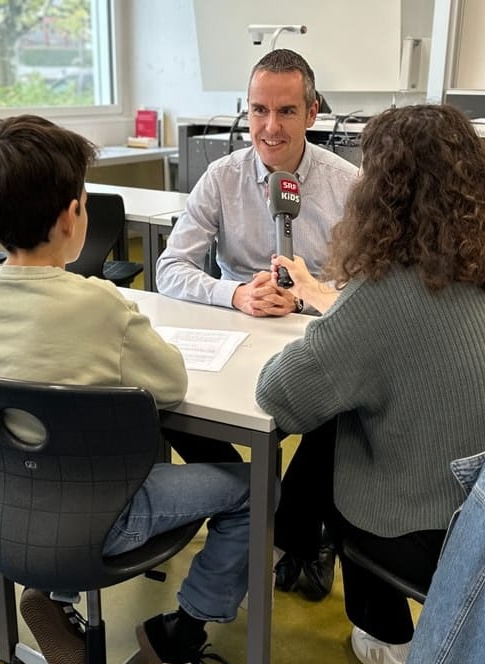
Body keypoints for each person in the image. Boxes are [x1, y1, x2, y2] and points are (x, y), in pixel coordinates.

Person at [255, 103, 485, 664]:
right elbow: (411, 339)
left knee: (337, 433)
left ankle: (384, 637)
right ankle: (287, 545)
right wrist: (326, 297)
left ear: (379, 191)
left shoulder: (383, 293)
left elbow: (279, 395)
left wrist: (326, 312)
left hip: (454, 538)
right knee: (357, 413)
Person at [0, 114, 254, 664]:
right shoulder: (100, 304)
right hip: (105, 518)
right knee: (255, 489)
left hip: (8, 511)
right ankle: (184, 626)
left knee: (66, 460)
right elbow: (168, 388)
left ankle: (55, 591)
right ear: (72, 216)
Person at [155, 49, 359, 601]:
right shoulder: (221, 178)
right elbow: (169, 267)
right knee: (168, 401)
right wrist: (235, 293)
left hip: (316, 341)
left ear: (313, 113)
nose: (270, 128)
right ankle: (256, 501)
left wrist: (307, 300)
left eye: (287, 112)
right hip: (236, 337)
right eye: (259, 111)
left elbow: (373, 286)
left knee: (342, 417)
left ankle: (286, 531)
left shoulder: (349, 186)